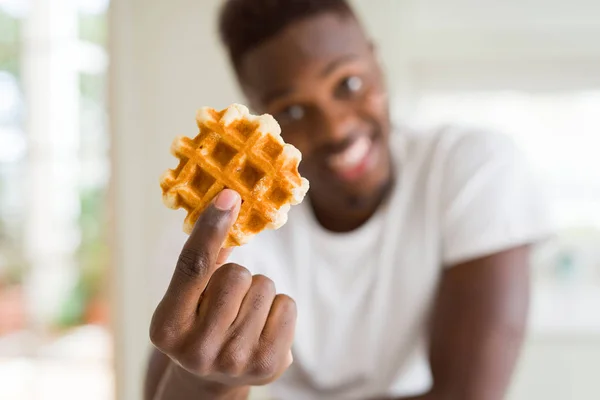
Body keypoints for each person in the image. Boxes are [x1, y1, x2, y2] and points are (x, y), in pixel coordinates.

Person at [145, 1, 549, 399]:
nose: (336, 129)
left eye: (349, 83)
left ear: (376, 62)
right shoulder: (220, 231)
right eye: (295, 109)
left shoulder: (471, 169)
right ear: (260, 116)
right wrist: (203, 383)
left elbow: (467, 395)